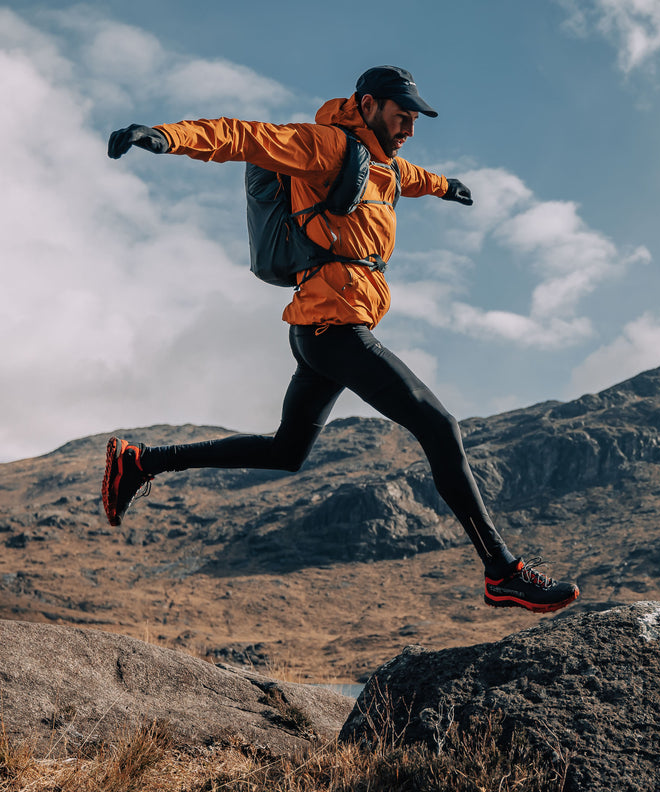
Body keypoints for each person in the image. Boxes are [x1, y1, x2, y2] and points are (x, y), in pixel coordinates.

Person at [102, 65, 579, 613]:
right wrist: (164, 137)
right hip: (334, 325)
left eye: (416, 121)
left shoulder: (385, 165)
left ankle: (140, 462)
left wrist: (446, 186)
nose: (409, 129)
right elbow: (242, 135)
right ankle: (502, 571)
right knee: (439, 425)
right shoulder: (327, 147)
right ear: (370, 105)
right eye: (403, 117)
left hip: (324, 327)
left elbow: (409, 176)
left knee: (286, 451)